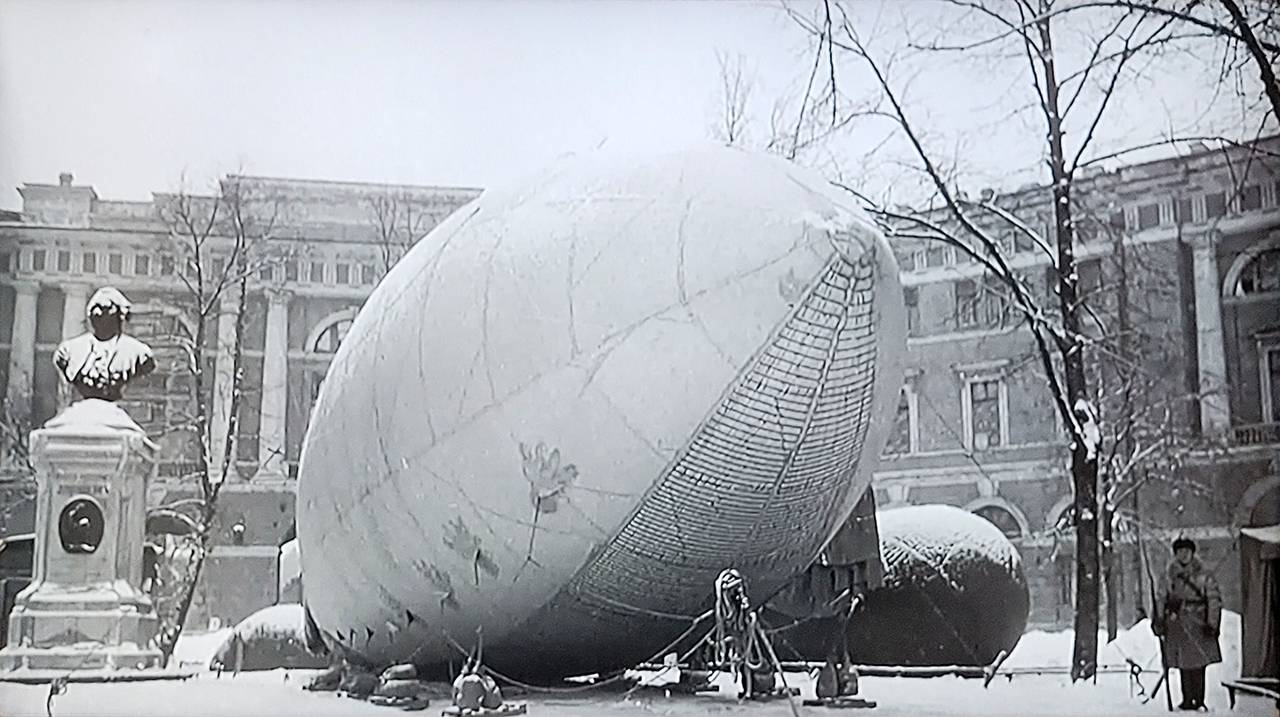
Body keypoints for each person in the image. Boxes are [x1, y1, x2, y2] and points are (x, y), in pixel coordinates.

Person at [1155, 537, 1222, 711]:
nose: (1183, 555)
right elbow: (1161, 597)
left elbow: (1213, 600)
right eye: (1180, 552)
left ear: (1192, 553)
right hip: (1178, 624)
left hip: (1199, 623)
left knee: (1199, 663)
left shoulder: (1204, 574)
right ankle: (1187, 699)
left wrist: (1212, 623)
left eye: (1186, 551)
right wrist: (1159, 619)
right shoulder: (1169, 575)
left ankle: (1199, 699)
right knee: (1183, 663)